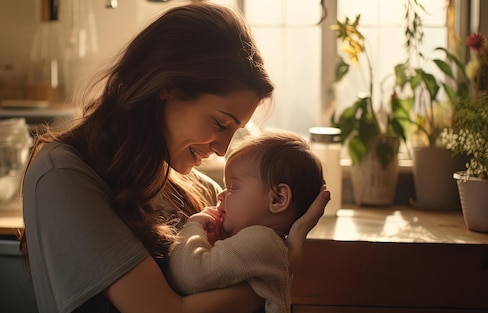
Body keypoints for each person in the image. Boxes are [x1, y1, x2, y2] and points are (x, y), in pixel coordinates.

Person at [20, 2, 330, 313]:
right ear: (169, 87)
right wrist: (281, 268)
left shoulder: (203, 193)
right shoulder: (62, 174)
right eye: (220, 124)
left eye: (234, 131)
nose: (222, 149)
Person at [168, 130, 325, 313]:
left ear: (277, 199)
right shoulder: (268, 245)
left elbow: (189, 276)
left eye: (233, 187)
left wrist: (194, 226)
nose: (220, 195)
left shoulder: (261, 240)